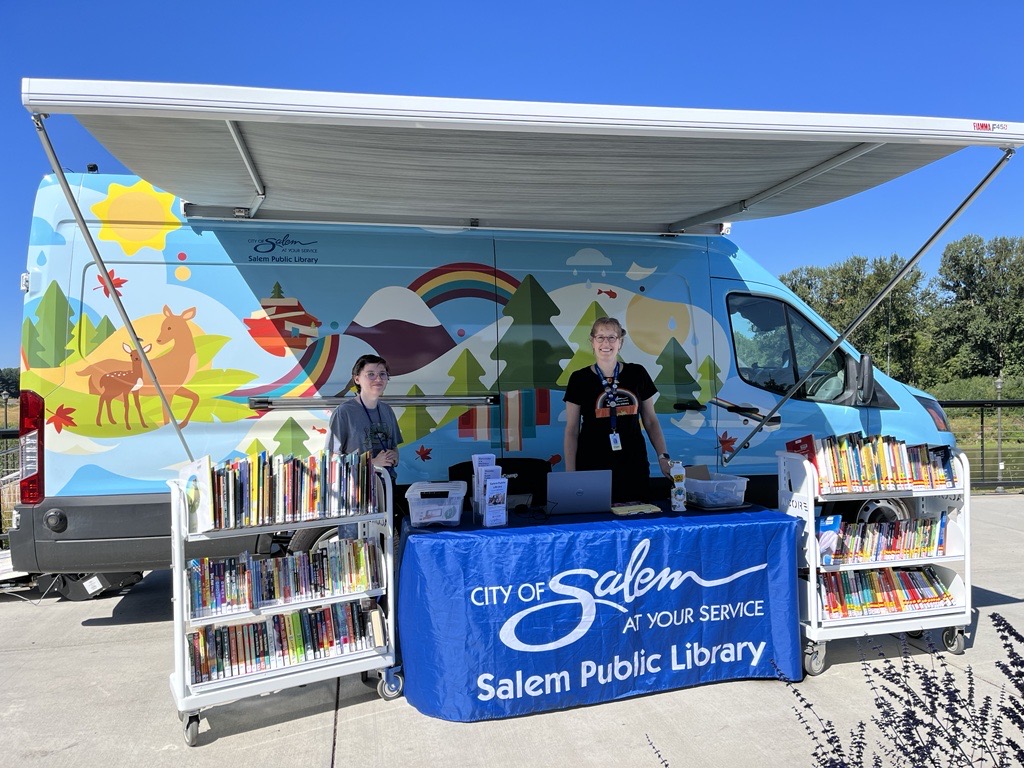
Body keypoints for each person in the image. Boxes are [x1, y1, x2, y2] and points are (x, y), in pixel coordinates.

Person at [563, 317, 671, 502]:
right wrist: (571, 473)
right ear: (592, 342)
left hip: (633, 462)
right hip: (592, 463)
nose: (606, 343)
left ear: (620, 342)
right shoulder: (578, 379)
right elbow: (572, 430)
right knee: (596, 521)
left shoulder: (637, 373)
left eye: (612, 337)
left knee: (636, 519)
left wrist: (663, 457)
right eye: (600, 337)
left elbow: (651, 421)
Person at [326, 353, 402, 481]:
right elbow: (332, 457)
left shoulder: (387, 410)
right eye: (371, 374)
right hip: (357, 489)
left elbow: (394, 447)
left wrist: (394, 457)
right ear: (357, 379)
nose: (378, 379)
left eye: (382, 374)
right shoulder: (344, 412)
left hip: (386, 485)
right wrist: (372, 463)